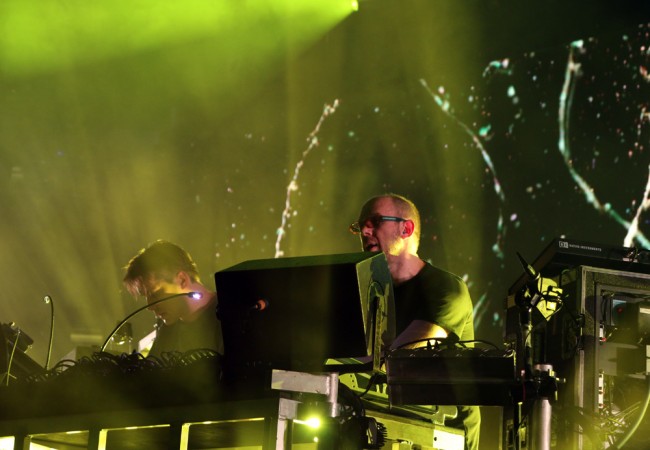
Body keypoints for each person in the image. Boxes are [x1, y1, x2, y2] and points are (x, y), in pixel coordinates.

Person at [349, 193, 480, 450]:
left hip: (443, 436)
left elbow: (396, 359)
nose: (365, 231)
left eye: (375, 222)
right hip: (388, 425)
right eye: (360, 226)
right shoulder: (369, 294)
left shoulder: (446, 288)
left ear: (406, 229)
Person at [123, 239, 223, 357]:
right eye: (146, 296)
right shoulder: (167, 327)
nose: (150, 306)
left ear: (182, 280)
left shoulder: (229, 314)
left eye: (155, 294)